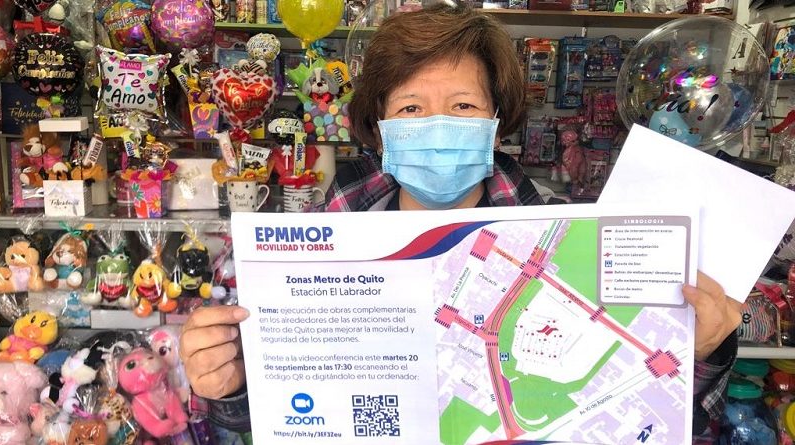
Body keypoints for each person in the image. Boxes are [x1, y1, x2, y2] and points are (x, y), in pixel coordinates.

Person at [180, 3, 742, 442]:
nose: (437, 124)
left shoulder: (570, 243)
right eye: (410, 108)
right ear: (380, 126)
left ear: (496, 122)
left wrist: (697, 351)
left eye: (464, 106)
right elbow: (282, 410)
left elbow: (648, 416)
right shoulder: (320, 240)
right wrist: (231, 383)